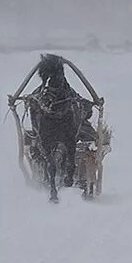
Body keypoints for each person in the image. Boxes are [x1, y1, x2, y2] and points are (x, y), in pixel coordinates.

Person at [25, 53, 96, 201]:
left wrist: (88, 105)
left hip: (70, 126)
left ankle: (69, 176)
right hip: (45, 130)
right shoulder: (40, 95)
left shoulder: (71, 97)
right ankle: (52, 183)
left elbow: (85, 110)